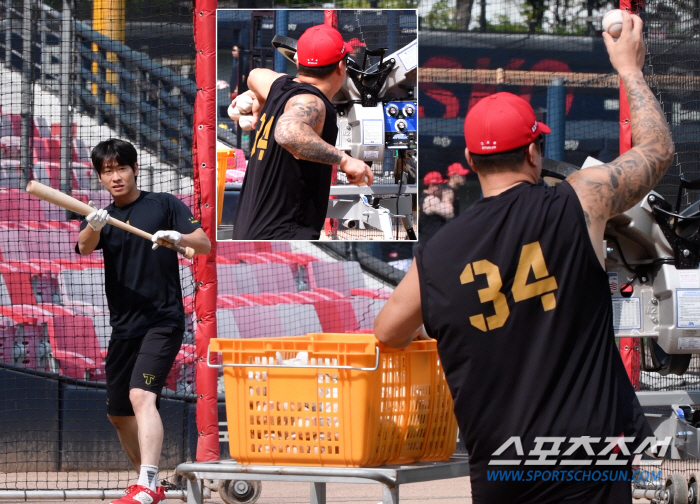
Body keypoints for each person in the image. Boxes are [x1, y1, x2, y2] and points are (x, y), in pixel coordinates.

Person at [375, 12, 672, 503]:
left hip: (502, 475)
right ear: (536, 150)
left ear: (470, 161)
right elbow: (657, 150)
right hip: (586, 466)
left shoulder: (438, 254)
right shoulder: (579, 200)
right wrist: (630, 69)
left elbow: (387, 333)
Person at [76, 139, 211, 504]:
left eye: (121, 168)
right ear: (101, 178)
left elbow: (203, 243)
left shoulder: (164, 205)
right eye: (107, 172)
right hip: (124, 327)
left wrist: (177, 236)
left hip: (162, 321)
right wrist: (94, 224)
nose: (116, 177)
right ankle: (146, 480)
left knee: (141, 395)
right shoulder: (102, 218)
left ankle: (148, 485)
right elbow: (84, 246)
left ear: (135, 168)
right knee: (119, 414)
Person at [230, 24, 374, 240]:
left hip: (250, 229)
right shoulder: (311, 101)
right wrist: (345, 160)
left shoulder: (277, 86)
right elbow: (288, 134)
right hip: (282, 234)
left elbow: (254, 75)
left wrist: (259, 97)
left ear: (297, 62)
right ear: (341, 67)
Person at [418, 171, 453, 244]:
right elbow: (450, 213)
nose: (442, 188)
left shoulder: (422, 198)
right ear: (432, 186)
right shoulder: (431, 199)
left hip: (426, 240)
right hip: (432, 241)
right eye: (440, 185)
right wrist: (446, 198)